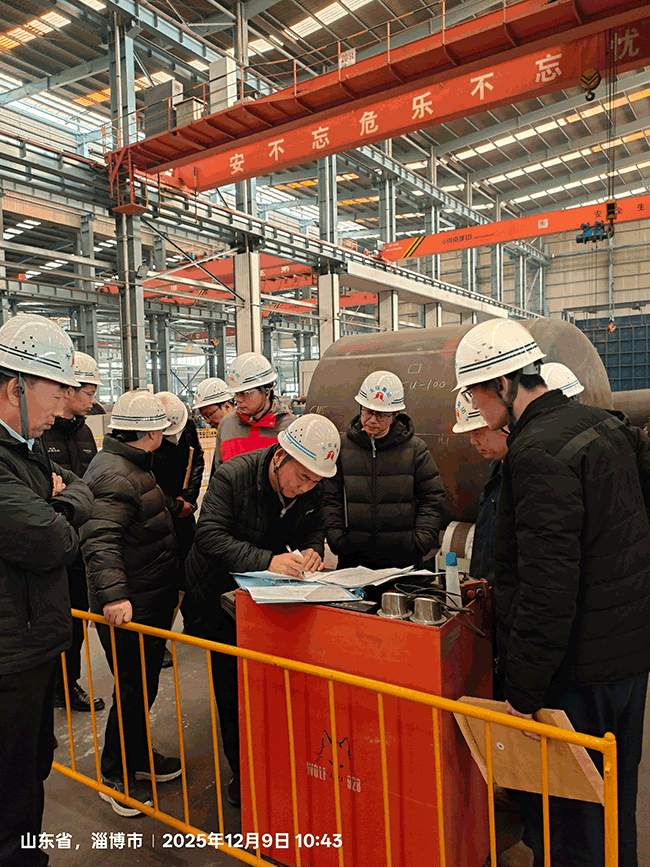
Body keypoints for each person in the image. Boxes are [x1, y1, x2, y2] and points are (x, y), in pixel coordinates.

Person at [454, 318, 650, 867]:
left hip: (577, 672)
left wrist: (522, 691)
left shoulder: (536, 451)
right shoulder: (604, 426)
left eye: (476, 395)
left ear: (502, 385)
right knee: (613, 806)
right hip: (627, 662)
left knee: (571, 825)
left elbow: (548, 585)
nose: (477, 409)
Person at [183, 413, 340, 807]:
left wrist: (313, 551)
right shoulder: (233, 476)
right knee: (232, 689)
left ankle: (280, 761)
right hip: (218, 595)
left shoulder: (312, 487)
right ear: (280, 457)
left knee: (272, 686)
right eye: (301, 478)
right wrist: (267, 561)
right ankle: (243, 773)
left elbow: (315, 526)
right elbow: (209, 536)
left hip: (270, 598)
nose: (306, 488)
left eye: (314, 482)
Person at [0, 314, 94, 866]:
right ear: (17, 387)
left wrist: (59, 501)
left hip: (32, 647)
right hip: (7, 660)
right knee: (10, 795)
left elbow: (78, 489)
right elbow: (54, 540)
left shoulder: (26, 447)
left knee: (32, 771)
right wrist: (60, 506)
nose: (63, 408)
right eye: (56, 393)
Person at [81, 390, 181, 818]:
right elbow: (99, 539)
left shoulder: (130, 464)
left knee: (142, 686)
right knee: (132, 687)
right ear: (151, 433)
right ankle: (115, 774)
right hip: (130, 605)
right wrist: (114, 596)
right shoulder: (116, 474)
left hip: (148, 598)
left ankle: (137, 755)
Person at [323, 370, 445, 570]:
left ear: (395, 415)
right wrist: (338, 540)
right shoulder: (342, 448)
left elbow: (433, 498)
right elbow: (329, 498)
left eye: (381, 415)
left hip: (404, 562)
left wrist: (420, 542)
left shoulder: (415, 450)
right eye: (367, 411)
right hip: (353, 562)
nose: (372, 420)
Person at [42, 351, 105, 713]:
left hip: (80, 540)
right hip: (51, 540)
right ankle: (50, 685)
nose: (93, 401)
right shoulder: (41, 430)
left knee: (76, 619)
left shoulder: (83, 431)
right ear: (69, 389)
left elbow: (86, 484)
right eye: (89, 392)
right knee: (51, 621)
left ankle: (68, 683)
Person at [152, 391, 205, 668]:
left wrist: (189, 498)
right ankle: (157, 641)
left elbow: (197, 461)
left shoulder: (188, 426)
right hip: (156, 515)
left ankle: (194, 623)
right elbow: (145, 481)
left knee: (190, 570)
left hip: (184, 509)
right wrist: (174, 506)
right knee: (161, 579)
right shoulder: (145, 436)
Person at [213, 352, 293, 472]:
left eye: (244, 393)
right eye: (236, 393)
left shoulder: (291, 428)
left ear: (266, 389)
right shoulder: (227, 425)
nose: (237, 399)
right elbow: (218, 473)